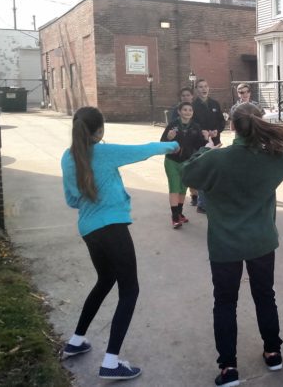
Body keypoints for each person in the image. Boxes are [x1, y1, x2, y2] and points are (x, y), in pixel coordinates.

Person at [182, 102, 283, 387]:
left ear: (232, 126)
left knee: (225, 302)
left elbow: (187, 173)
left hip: (225, 245)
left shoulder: (216, 159)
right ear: (260, 124)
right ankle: (273, 353)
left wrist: (206, 150)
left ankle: (228, 368)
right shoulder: (274, 160)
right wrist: (268, 141)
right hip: (261, 241)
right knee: (265, 296)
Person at [60, 106, 179, 381]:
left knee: (105, 280)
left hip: (89, 229)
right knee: (129, 290)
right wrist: (173, 145)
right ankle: (111, 362)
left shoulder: (68, 157)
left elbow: (72, 199)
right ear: (99, 131)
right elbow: (143, 150)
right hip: (112, 227)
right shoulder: (104, 152)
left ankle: (76, 341)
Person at [160, 102, 207, 229]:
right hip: (172, 161)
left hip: (187, 162)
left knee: (182, 189)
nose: (188, 112)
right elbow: (162, 143)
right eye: (185, 109)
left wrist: (206, 138)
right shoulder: (173, 125)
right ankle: (175, 217)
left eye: (190, 110)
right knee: (174, 188)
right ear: (179, 112)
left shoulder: (195, 127)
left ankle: (179, 213)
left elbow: (199, 146)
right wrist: (169, 138)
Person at [191, 79, 225, 213]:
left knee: (215, 171)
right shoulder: (193, 106)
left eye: (205, 86)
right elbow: (192, 124)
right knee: (204, 172)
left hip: (215, 142)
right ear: (196, 90)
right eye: (200, 87)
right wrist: (202, 131)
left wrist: (217, 130)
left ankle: (213, 200)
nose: (204, 89)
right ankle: (202, 204)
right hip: (201, 144)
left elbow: (221, 121)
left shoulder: (215, 103)